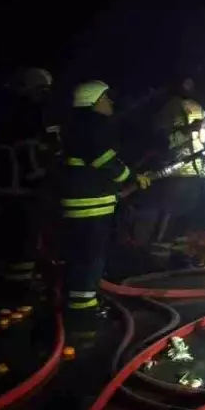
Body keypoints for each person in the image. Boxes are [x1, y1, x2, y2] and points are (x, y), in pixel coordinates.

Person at [58, 81, 150, 320]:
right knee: (90, 257)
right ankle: (84, 311)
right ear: (93, 100)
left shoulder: (78, 125)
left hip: (84, 202)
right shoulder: (92, 126)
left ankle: (80, 302)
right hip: (90, 205)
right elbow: (104, 161)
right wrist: (131, 177)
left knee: (82, 256)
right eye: (106, 98)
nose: (110, 102)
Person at [0, 67, 57, 291]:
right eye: (42, 89)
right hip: (25, 193)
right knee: (22, 246)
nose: (46, 94)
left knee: (2, 244)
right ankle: (16, 292)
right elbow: (35, 155)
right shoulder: (32, 117)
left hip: (2, 192)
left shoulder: (6, 114)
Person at [149, 77, 205, 245]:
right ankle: (158, 240)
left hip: (196, 162)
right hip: (176, 162)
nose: (187, 88)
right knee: (170, 204)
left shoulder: (196, 106)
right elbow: (162, 134)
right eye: (184, 84)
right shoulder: (170, 107)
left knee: (190, 202)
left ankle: (178, 236)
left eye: (190, 84)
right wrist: (187, 130)